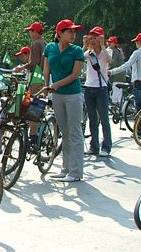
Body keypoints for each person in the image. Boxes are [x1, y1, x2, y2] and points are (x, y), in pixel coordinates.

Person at [44, 19, 85, 182]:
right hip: (57, 95)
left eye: (74, 32)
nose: (73, 34)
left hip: (73, 94)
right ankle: (65, 169)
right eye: (70, 31)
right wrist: (46, 86)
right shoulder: (50, 48)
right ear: (60, 33)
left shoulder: (77, 51)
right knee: (65, 132)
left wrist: (55, 85)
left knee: (75, 132)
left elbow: (75, 75)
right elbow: (46, 69)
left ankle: (76, 172)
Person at [108, 32, 141, 117]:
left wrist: (111, 71)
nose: (135, 43)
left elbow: (126, 65)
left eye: (136, 41)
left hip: (139, 83)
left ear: (139, 42)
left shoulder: (137, 53)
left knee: (140, 110)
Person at [82, 27, 112, 157]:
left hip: (101, 89)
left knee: (104, 119)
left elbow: (110, 60)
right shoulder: (89, 53)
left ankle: (106, 146)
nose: (94, 40)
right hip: (89, 88)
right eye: (92, 38)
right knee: (92, 120)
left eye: (96, 38)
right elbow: (78, 58)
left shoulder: (106, 52)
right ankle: (94, 146)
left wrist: (103, 45)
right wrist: (84, 45)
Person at [106, 36, 125, 104]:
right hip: (118, 76)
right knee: (116, 94)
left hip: (117, 76)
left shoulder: (114, 52)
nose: (108, 43)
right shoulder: (116, 51)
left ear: (114, 44)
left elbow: (112, 64)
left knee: (115, 96)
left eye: (110, 42)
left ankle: (116, 108)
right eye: (108, 42)